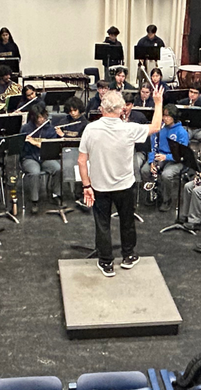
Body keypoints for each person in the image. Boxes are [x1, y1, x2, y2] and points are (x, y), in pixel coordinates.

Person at [79, 88, 164, 277]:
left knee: (102, 223)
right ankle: (128, 256)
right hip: (124, 185)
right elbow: (156, 126)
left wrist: (86, 186)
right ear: (121, 110)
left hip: (99, 186)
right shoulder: (129, 128)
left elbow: (81, 161)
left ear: (101, 109)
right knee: (127, 221)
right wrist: (158, 102)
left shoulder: (90, 129)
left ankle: (106, 262)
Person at [140, 104, 189, 211]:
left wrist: (166, 157)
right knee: (145, 170)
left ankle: (167, 200)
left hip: (176, 160)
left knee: (167, 175)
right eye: (164, 116)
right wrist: (151, 161)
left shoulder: (181, 132)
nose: (165, 118)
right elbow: (153, 146)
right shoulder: (159, 128)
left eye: (168, 116)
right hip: (160, 157)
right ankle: (154, 193)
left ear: (174, 117)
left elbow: (182, 154)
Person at [20, 105, 61, 214]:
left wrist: (35, 143)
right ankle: (35, 200)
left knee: (57, 168)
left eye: (44, 116)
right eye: (39, 117)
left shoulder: (50, 128)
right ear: (33, 118)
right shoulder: (26, 128)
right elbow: (20, 148)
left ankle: (56, 194)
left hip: (46, 157)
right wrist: (23, 140)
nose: (42, 119)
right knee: (35, 172)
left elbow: (52, 147)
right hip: (30, 157)